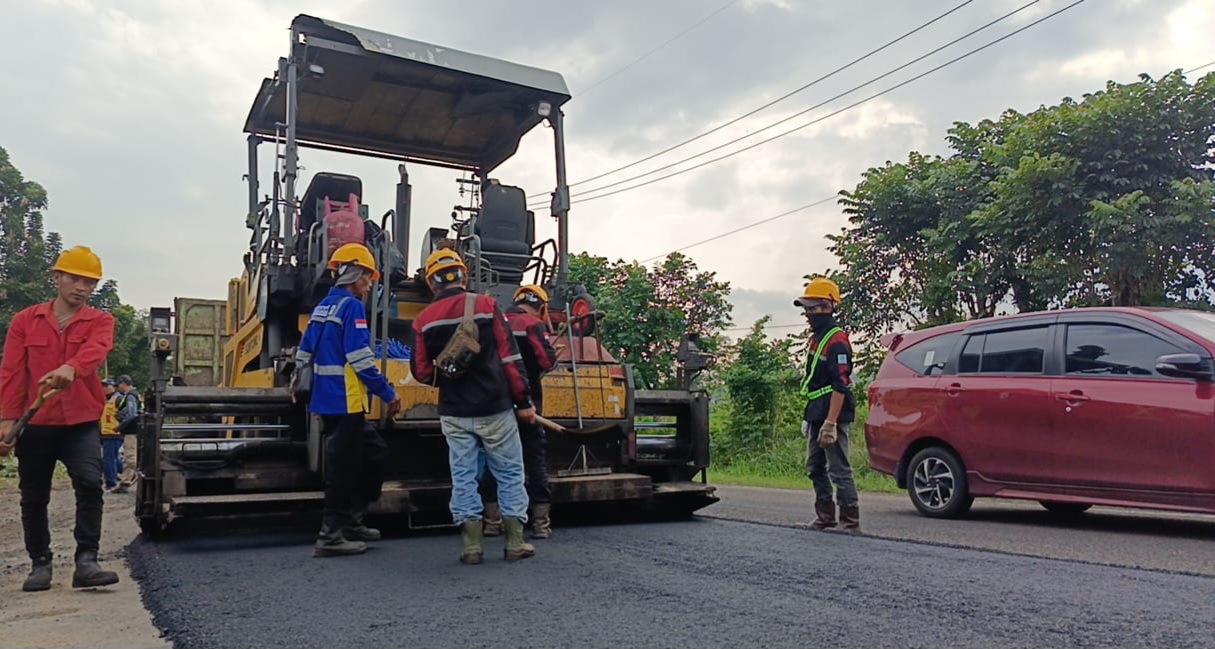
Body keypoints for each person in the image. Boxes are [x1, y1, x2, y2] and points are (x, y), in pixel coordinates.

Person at [0, 246, 120, 591]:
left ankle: (87, 561)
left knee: (88, 483)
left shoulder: (101, 321)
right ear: (57, 278)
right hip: (35, 423)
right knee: (33, 496)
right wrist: (8, 421)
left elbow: (96, 350)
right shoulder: (25, 320)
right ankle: (40, 564)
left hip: (80, 422)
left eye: (89, 282)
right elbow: (11, 373)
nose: (81, 287)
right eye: (74, 278)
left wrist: (73, 367)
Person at [411, 249, 537, 564]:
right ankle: (514, 543)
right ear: (463, 276)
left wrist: (451, 375)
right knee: (509, 473)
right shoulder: (486, 306)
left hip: (454, 412)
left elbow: (422, 371)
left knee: (464, 475)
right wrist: (524, 402)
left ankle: (471, 548)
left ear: (431, 284)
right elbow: (510, 358)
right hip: (494, 407)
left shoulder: (422, 321)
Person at [294, 243, 402, 558]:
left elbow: (304, 352)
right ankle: (330, 536)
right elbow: (360, 359)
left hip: (328, 402)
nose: (369, 285)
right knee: (343, 469)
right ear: (354, 275)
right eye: (367, 278)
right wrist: (388, 392)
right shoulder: (351, 307)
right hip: (346, 401)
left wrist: (303, 392)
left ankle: (353, 521)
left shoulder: (323, 308)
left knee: (374, 453)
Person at [795, 277, 860, 532]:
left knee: (838, 467)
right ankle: (825, 516)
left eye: (815, 307)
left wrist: (831, 424)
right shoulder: (817, 337)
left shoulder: (837, 341)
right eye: (808, 308)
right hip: (816, 410)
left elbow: (840, 384)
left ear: (830, 307)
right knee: (814, 466)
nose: (810, 313)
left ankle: (849, 520)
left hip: (833, 412)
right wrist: (811, 418)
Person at [112, 375, 141, 493]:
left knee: (130, 458)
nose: (117, 388)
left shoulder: (130, 396)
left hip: (132, 431)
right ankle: (125, 482)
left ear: (123, 384)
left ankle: (145, 474)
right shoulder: (135, 395)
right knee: (128, 458)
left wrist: (120, 426)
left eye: (118, 385)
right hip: (136, 430)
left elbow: (132, 415)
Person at [99, 379, 123, 492]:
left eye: (106, 386)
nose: (103, 388)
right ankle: (129, 472)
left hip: (114, 433)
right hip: (106, 433)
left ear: (113, 387)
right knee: (112, 458)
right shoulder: (106, 400)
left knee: (109, 459)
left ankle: (111, 482)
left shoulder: (118, 399)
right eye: (102, 386)